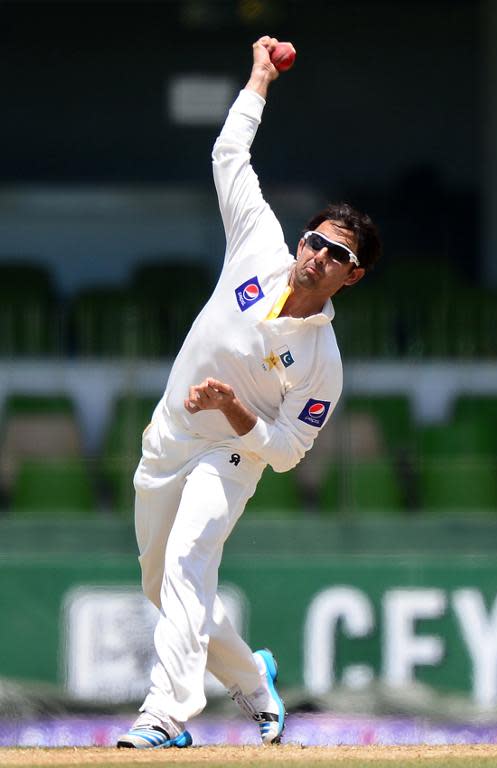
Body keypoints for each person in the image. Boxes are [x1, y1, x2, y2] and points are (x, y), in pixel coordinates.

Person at [117, 35, 381, 750]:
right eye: (317, 241)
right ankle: (254, 680)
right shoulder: (258, 245)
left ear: (352, 278)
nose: (319, 255)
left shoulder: (322, 361)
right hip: (169, 438)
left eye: (340, 256)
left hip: (232, 457)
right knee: (163, 586)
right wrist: (260, 78)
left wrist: (237, 414)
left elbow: (292, 450)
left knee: (186, 563)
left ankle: (165, 716)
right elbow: (229, 156)